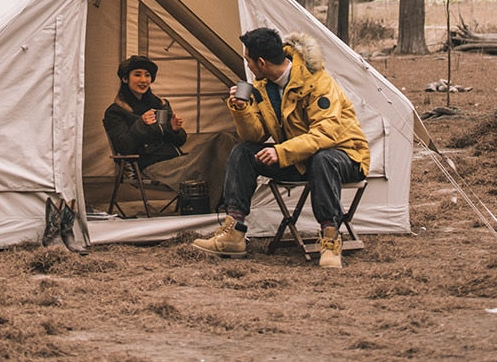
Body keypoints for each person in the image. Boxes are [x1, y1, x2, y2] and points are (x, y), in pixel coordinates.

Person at [191, 28, 370, 267]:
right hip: (299, 159)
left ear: (261, 62)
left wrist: (281, 152)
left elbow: (326, 134)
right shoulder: (263, 87)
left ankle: (330, 239)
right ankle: (234, 232)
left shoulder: (317, 81)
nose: (249, 66)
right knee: (243, 152)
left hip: (345, 155)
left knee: (323, 158)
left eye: (248, 61)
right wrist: (241, 108)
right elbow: (254, 135)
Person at [102, 54, 234, 211]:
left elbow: (178, 141)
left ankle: (223, 202)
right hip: (152, 166)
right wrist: (140, 124)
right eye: (137, 74)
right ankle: (212, 206)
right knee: (215, 153)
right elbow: (125, 147)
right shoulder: (116, 112)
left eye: (147, 75)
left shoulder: (160, 104)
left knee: (223, 140)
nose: (143, 80)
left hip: (177, 160)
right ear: (125, 79)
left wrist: (174, 130)